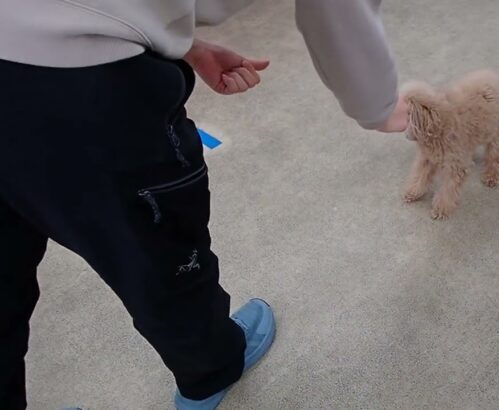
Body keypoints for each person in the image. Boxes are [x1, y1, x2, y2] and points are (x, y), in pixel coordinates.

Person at [0, 0, 408, 409]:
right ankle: (211, 369)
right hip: (82, 87)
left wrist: (180, 40)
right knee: (158, 253)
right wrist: (380, 105)